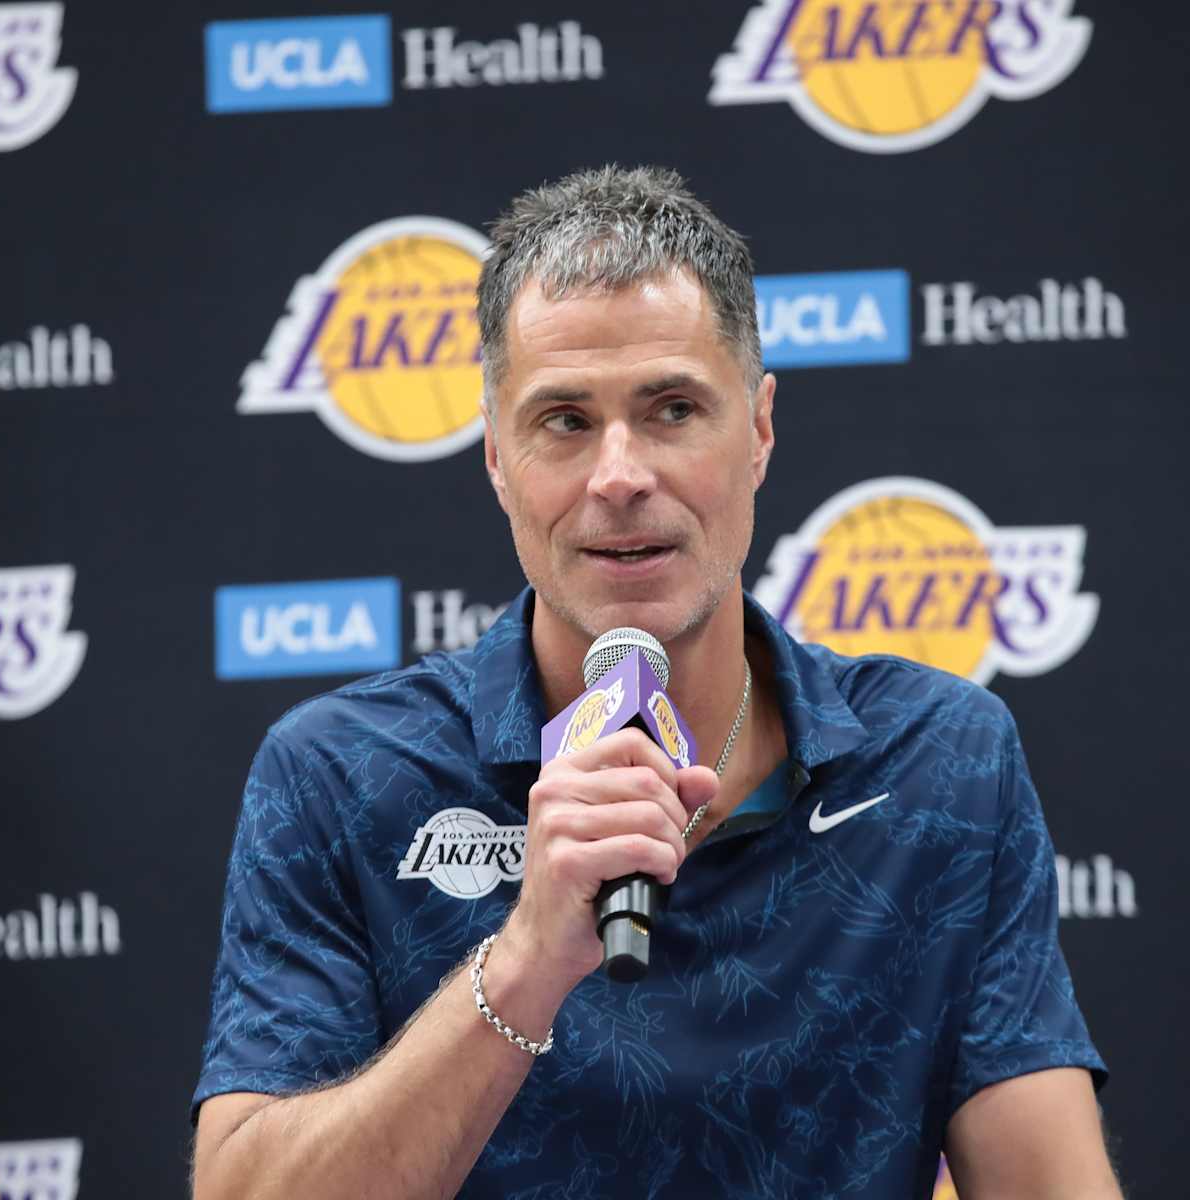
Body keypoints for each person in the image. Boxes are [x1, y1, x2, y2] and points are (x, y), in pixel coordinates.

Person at [191, 165, 1122, 1199]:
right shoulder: (343, 773)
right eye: (565, 421)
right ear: (496, 454)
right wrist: (527, 960)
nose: (620, 475)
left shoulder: (942, 761)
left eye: (673, 408)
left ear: (760, 430)